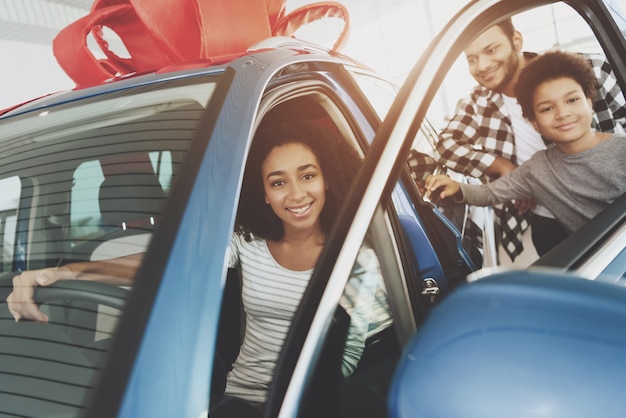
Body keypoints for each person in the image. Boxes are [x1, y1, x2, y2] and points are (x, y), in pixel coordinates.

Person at [7, 119, 392, 408]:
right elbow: (172, 263)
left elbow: (348, 357)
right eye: (278, 183)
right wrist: (66, 271)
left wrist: (297, 404)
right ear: (264, 195)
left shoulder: (358, 259)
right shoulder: (248, 242)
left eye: (307, 175)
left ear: (325, 180)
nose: (296, 194)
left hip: (304, 402)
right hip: (234, 400)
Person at [412, 17, 626, 259]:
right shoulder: (479, 102)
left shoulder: (591, 70)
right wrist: (502, 167)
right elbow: (446, 145)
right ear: (533, 120)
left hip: (615, 217)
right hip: (545, 218)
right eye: (471, 59)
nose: (482, 65)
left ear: (516, 40)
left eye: (491, 49)